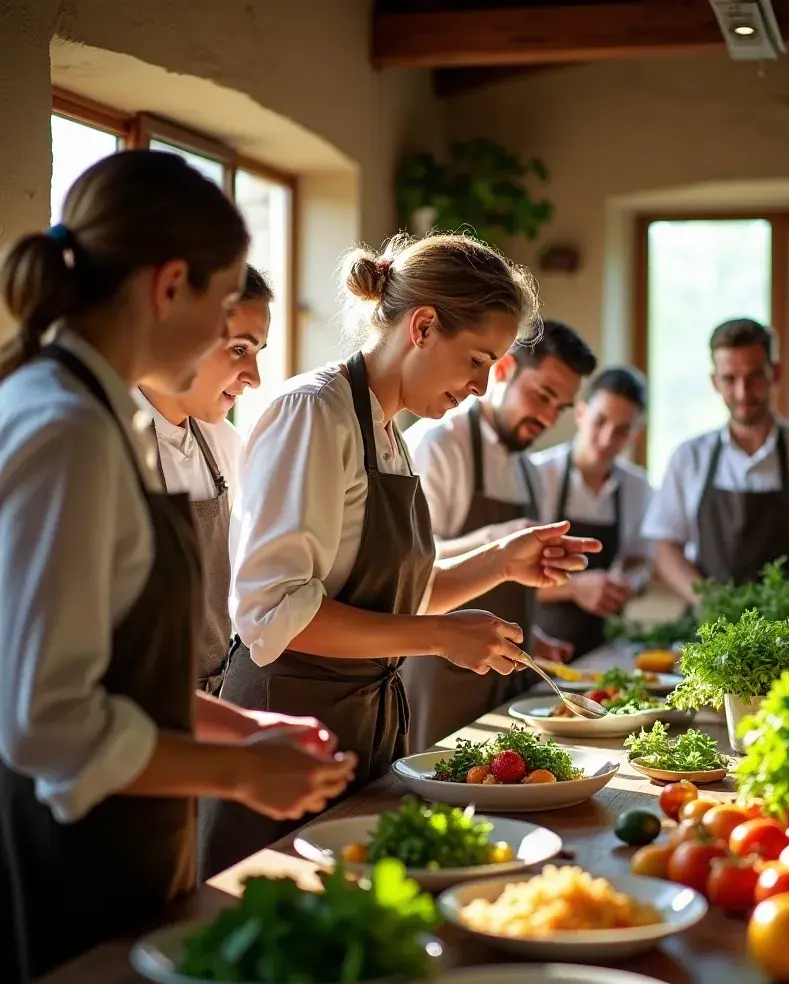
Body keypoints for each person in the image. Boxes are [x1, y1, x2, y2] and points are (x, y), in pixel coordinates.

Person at [0, 151, 355, 984]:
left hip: (125, 836)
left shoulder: (94, 414)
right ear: (168, 286)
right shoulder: (66, 430)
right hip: (68, 860)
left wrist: (243, 730)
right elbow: (49, 725)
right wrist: (241, 773)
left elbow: (117, 671)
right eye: (225, 303)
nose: (232, 339)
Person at [199, 234, 601, 878]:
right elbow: (276, 615)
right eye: (476, 360)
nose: (479, 387)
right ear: (423, 326)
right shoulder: (313, 413)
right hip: (288, 729)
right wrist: (440, 637)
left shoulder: (389, 434)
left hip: (362, 727)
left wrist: (501, 560)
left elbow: (397, 597)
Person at [402, 319, 598, 751]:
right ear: (504, 369)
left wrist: (534, 634)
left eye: (560, 408)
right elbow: (410, 568)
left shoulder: (528, 470)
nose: (548, 418)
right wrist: (499, 540)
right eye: (542, 396)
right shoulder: (438, 445)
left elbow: (517, 579)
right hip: (443, 675)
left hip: (511, 675)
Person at [643, 318, 789, 603]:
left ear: (775, 374)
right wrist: (709, 601)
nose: (743, 392)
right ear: (714, 382)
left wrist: (785, 604)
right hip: (706, 622)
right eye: (730, 379)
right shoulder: (688, 458)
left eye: (754, 377)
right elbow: (665, 548)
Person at [135, 265, 273, 694]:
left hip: (214, 696)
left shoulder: (224, 443)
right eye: (238, 349)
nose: (254, 377)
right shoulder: (106, 441)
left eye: (257, 352)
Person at [530, 365, 653, 659]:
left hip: (601, 648)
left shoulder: (638, 487)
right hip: (536, 647)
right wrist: (574, 588)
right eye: (600, 421)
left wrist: (629, 584)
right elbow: (505, 580)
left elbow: (641, 562)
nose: (607, 439)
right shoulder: (538, 475)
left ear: (635, 434)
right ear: (581, 413)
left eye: (622, 430)